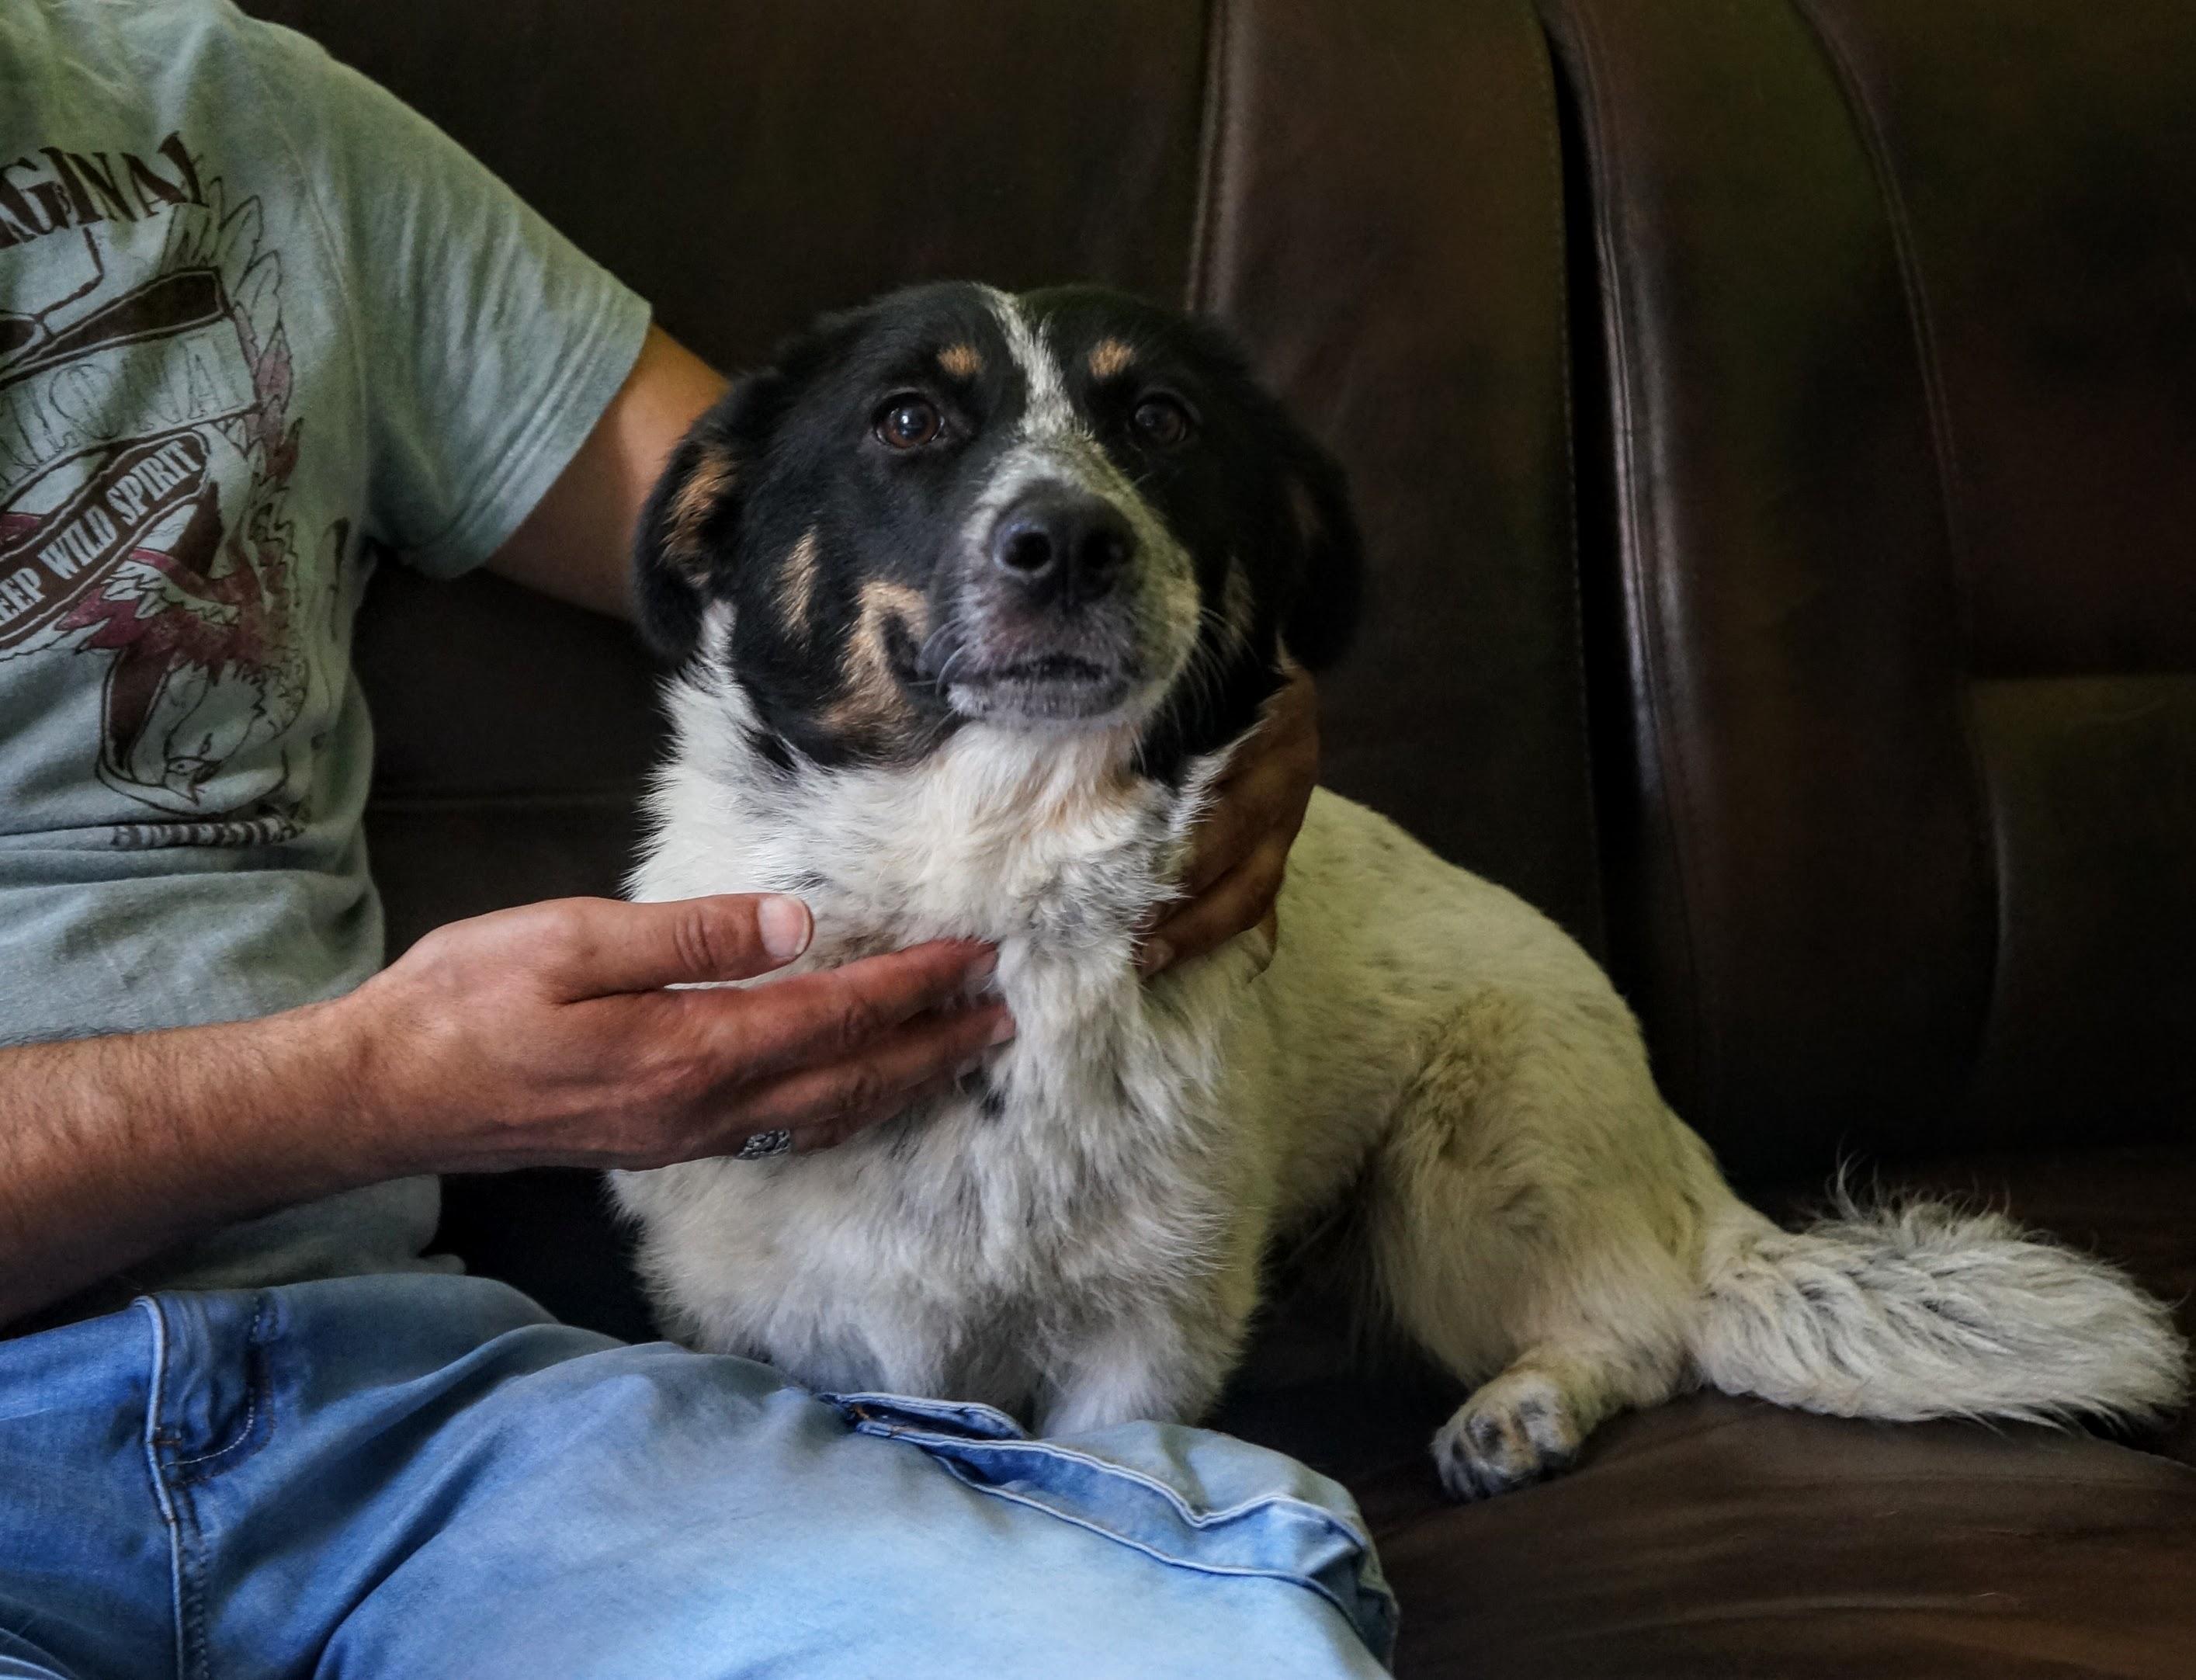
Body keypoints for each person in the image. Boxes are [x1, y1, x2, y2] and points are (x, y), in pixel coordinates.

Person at [0, 2, 1396, 1675]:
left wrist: (1221, 661)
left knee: (1204, 1645)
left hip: (401, 1409)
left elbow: (793, 503)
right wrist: (369, 1084)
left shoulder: (238, 116)